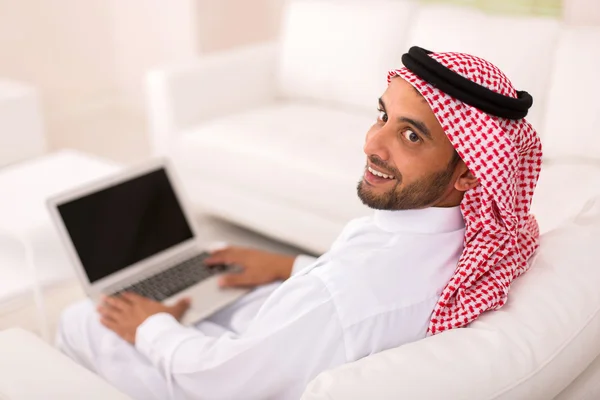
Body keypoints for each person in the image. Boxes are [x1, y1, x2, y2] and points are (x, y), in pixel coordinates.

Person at [56, 47, 542, 400]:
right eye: (383, 115)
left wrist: (152, 328)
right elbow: (345, 304)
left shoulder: (344, 293)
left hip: (224, 381)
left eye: (411, 135)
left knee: (82, 319)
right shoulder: (462, 242)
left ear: (469, 172)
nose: (373, 143)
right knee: (216, 283)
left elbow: (219, 380)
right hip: (298, 339)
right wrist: (287, 264)